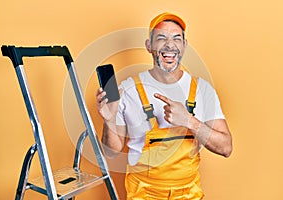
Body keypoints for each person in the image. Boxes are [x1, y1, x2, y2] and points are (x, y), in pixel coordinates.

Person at [96, 12, 233, 200]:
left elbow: (226, 148)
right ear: (149, 45)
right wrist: (109, 120)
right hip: (143, 194)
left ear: (184, 46)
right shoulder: (127, 90)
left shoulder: (203, 90)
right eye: (161, 38)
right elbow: (111, 153)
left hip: (189, 194)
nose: (170, 44)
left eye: (177, 38)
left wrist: (189, 121)